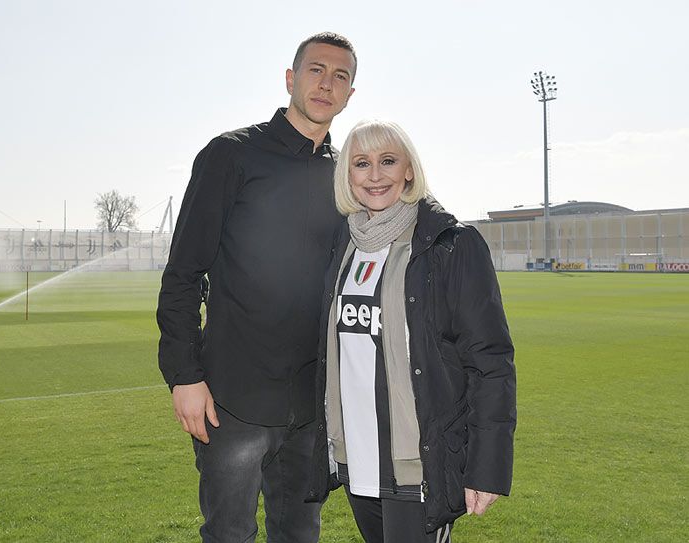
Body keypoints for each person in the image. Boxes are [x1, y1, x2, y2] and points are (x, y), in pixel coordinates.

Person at [156, 32, 356, 543]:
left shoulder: (347, 176)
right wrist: (183, 376)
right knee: (230, 535)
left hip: (311, 407)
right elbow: (182, 274)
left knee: (299, 534)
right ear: (291, 79)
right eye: (315, 70)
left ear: (350, 94)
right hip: (233, 401)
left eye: (341, 76)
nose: (326, 84)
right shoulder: (231, 156)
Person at [305, 120, 516, 543]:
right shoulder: (341, 244)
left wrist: (487, 467)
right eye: (361, 163)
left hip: (418, 464)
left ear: (408, 170)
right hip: (357, 461)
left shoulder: (450, 245)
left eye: (387, 161)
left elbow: (490, 361)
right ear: (347, 175)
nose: (375, 174)